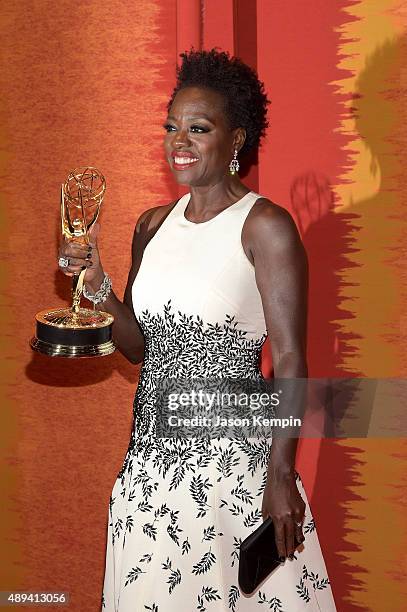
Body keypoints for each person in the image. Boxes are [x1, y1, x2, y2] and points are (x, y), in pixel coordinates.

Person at [58, 49, 337, 611]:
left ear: (235, 139)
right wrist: (95, 282)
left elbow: (290, 360)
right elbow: (137, 347)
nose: (178, 141)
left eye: (198, 128)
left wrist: (281, 474)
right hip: (149, 472)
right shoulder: (152, 225)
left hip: (232, 475)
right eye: (171, 127)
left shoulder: (266, 227)